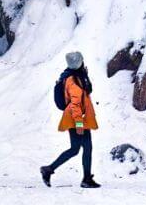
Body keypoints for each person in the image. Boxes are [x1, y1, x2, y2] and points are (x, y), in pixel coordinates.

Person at [40, 51, 101, 188]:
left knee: (78, 149)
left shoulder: (77, 76)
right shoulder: (73, 80)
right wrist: (79, 124)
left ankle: (49, 170)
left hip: (79, 118)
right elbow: (75, 105)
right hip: (76, 119)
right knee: (84, 148)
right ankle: (85, 179)